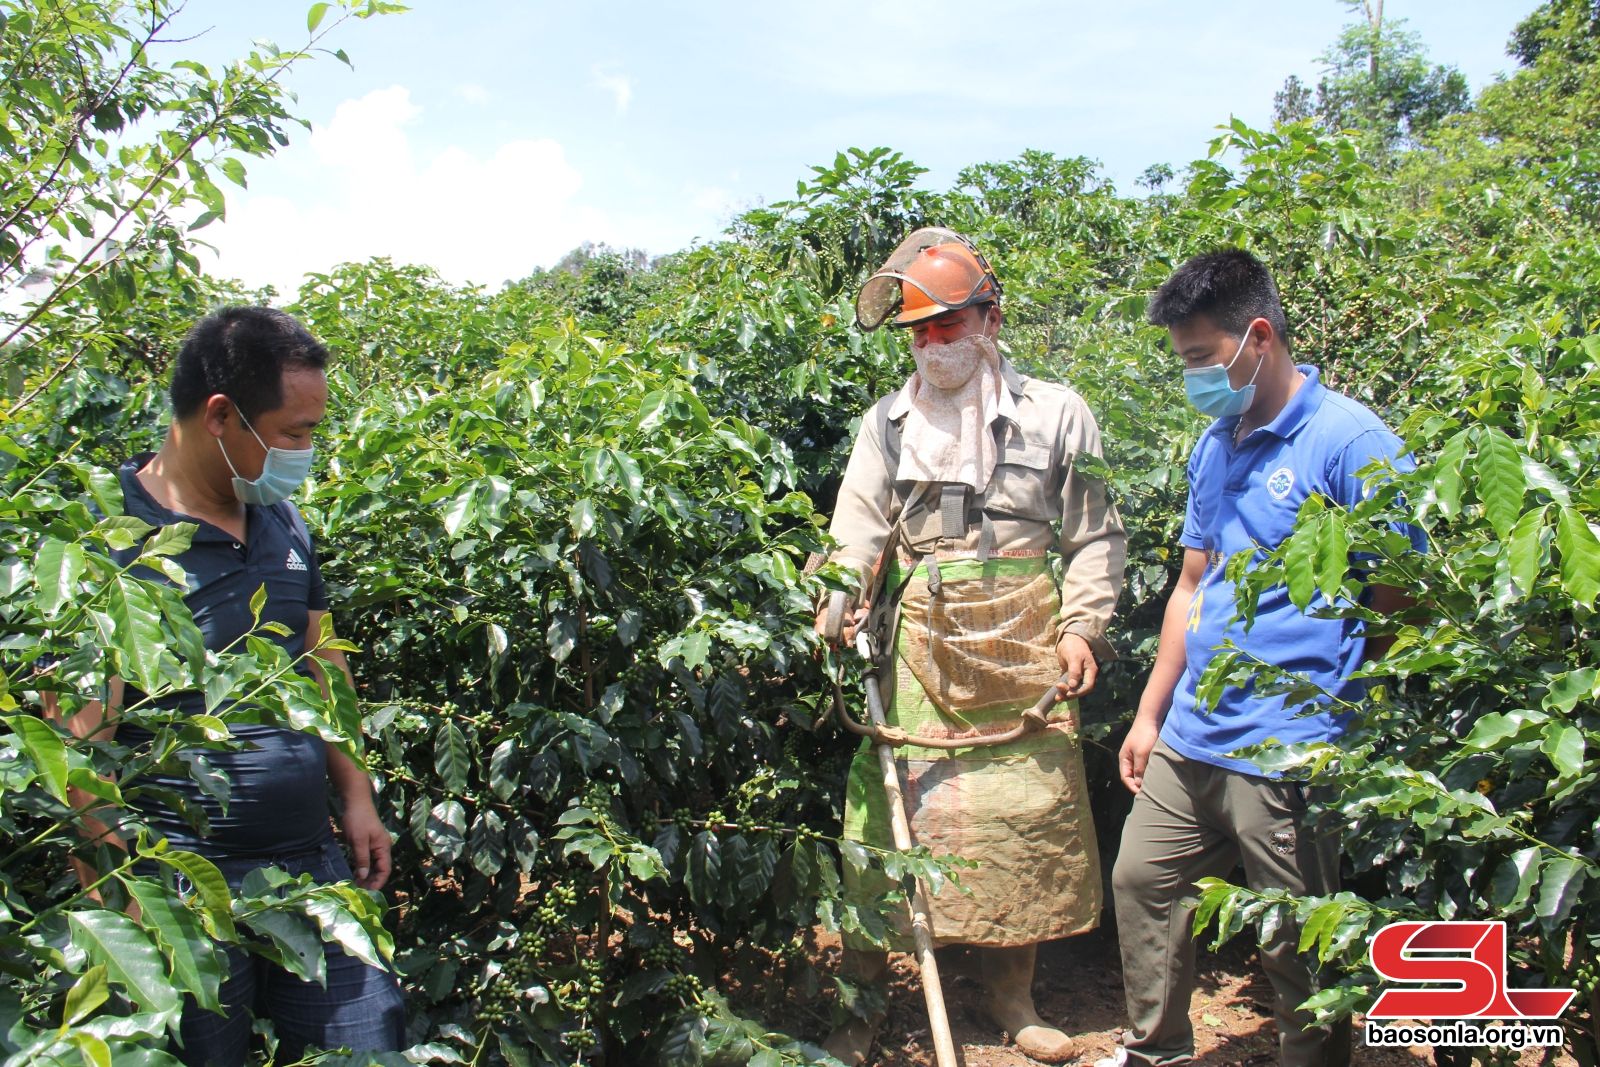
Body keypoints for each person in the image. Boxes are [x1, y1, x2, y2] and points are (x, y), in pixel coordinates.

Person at [46, 307, 404, 1064]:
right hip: (177, 890)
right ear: (219, 415)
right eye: (296, 431)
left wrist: (358, 793)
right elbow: (80, 746)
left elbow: (323, 659)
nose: (307, 452)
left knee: (369, 1043)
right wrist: (121, 904)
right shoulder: (107, 537)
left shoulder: (285, 521)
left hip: (310, 867)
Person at [1103, 250, 1422, 1067]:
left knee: (1296, 932)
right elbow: (1191, 584)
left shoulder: (1350, 442)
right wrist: (1150, 712)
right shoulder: (1217, 443)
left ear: (1258, 337)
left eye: (1202, 358)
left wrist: (1343, 702)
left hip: (1290, 742)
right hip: (1196, 730)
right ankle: (1158, 1048)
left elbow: (1402, 593)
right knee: (1143, 882)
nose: (1195, 378)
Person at [815, 228, 1127, 1064]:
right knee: (890, 818)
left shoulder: (1059, 412)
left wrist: (1082, 624)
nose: (931, 345)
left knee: (1017, 815)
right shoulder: (886, 423)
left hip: (1024, 636)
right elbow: (859, 525)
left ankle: (1011, 997)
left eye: (946, 326)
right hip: (922, 641)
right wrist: (843, 595)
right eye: (917, 331)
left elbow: (1096, 536)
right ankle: (865, 995)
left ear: (990, 317)